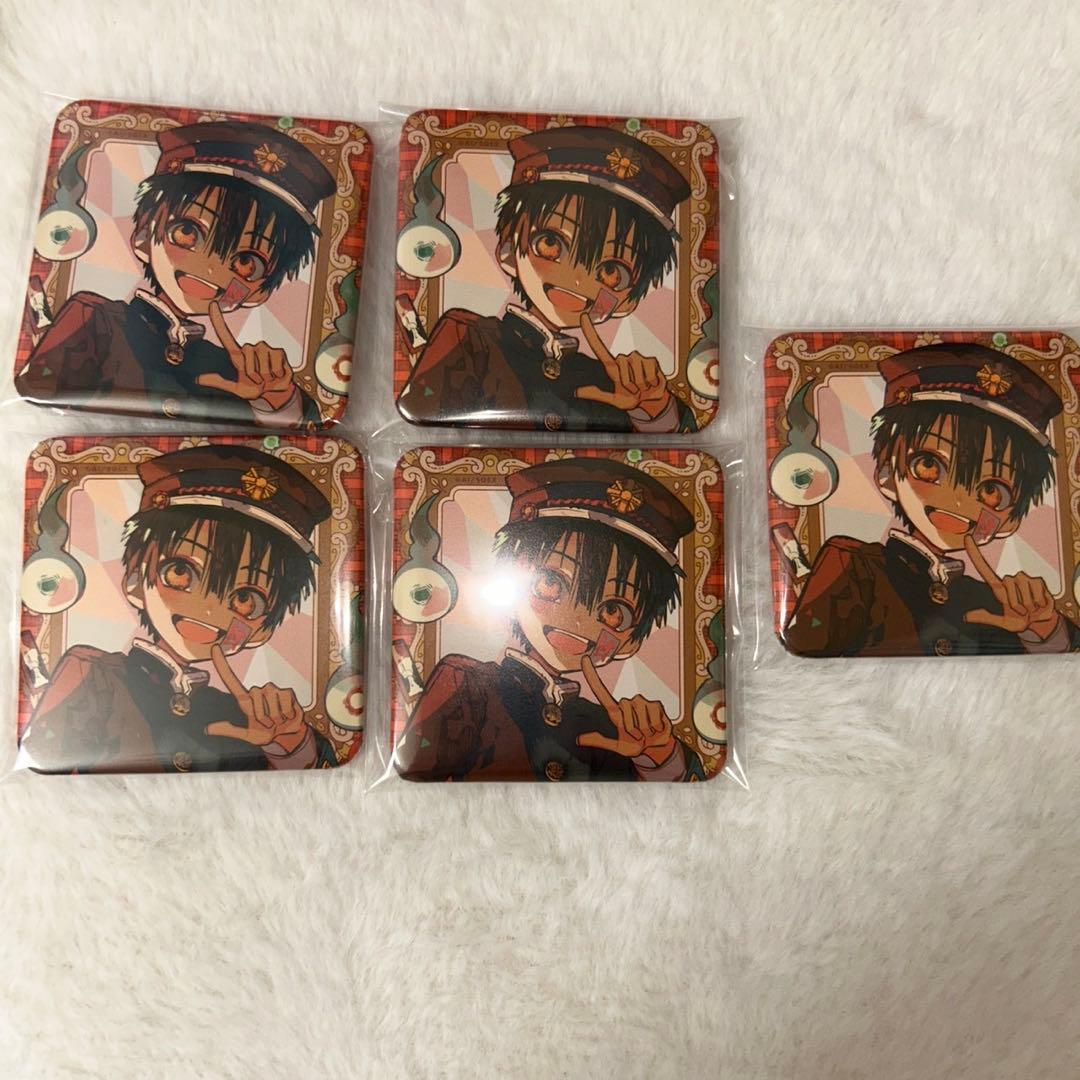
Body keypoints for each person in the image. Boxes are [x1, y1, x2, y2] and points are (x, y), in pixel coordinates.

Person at [19, 445, 337, 773]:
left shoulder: (246, 719)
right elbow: (45, 765)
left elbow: (306, 779)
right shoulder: (93, 674)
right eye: (181, 572)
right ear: (135, 580)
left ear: (262, 631)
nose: (209, 609)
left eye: (245, 600)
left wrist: (289, 748)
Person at [396, 457, 706, 781]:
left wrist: (658, 759)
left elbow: (667, 799)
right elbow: (416, 776)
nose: (579, 619)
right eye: (551, 583)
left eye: (613, 611)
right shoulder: (467, 685)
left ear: (631, 642)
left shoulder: (608, 728)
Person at [16, 122, 335, 426]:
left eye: (246, 263)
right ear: (143, 236)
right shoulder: (95, 319)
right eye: (187, 232)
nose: (210, 267)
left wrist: (276, 401)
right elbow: (38, 389)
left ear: (260, 292)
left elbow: (307, 424)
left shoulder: (233, 370)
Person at [785, 343, 1080, 656]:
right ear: (887, 473)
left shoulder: (995, 605)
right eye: (929, 465)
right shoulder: (856, 567)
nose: (959, 499)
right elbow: (803, 655)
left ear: (1010, 521)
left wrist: (1043, 629)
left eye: (992, 491)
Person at [397, 126, 697, 433]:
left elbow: (669, 442)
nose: (577, 279)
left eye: (611, 272)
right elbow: (424, 418)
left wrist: (652, 411)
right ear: (509, 251)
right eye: (551, 244)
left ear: (627, 302)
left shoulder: (609, 383)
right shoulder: (470, 339)